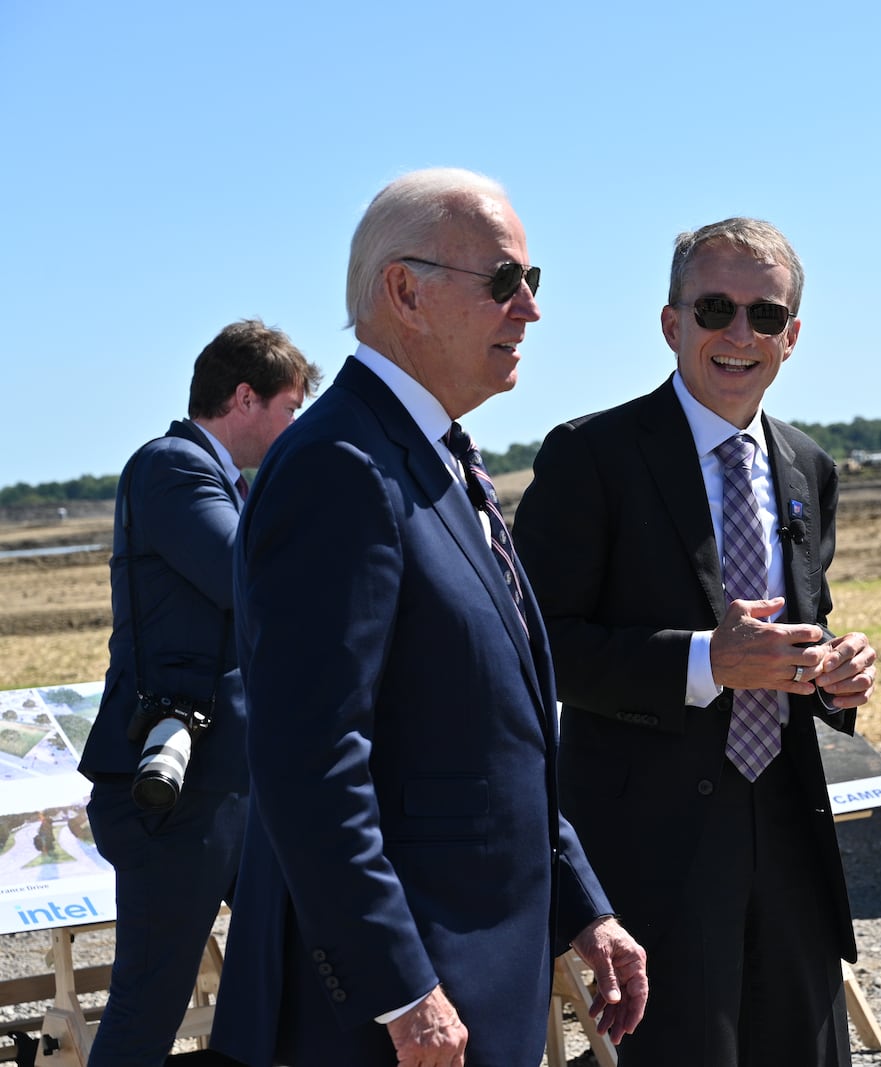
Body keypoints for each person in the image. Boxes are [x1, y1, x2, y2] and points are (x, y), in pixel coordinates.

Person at [208, 168, 648, 1067]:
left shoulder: (435, 454)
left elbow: (495, 732)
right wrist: (401, 991)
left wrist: (584, 908)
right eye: (502, 282)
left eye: (534, 281)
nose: (529, 309)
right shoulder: (340, 467)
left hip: (477, 986)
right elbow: (312, 761)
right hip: (396, 1020)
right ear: (404, 292)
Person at [513, 217, 877, 1067]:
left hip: (789, 834)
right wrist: (703, 661)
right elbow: (537, 650)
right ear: (672, 323)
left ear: (792, 335)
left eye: (763, 313)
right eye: (715, 307)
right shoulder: (590, 456)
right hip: (654, 853)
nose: (738, 333)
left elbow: (801, 621)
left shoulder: (807, 465)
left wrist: (831, 675)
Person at [79, 318, 320, 1067]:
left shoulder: (223, 481)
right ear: (243, 397)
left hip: (229, 788)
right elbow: (250, 578)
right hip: (177, 799)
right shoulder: (173, 467)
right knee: (150, 1007)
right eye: (289, 410)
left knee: (294, 983)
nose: (295, 430)